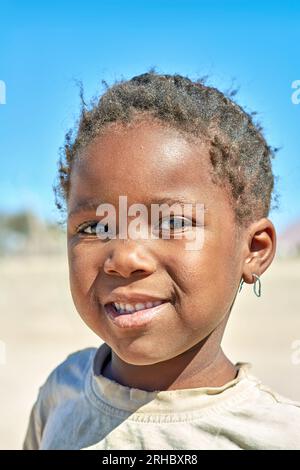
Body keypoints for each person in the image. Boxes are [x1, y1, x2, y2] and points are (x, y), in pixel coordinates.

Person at [23, 70, 300, 450]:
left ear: (253, 250)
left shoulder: (280, 436)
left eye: (171, 222)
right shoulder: (61, 393)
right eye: (94, 228)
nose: (123, 257)